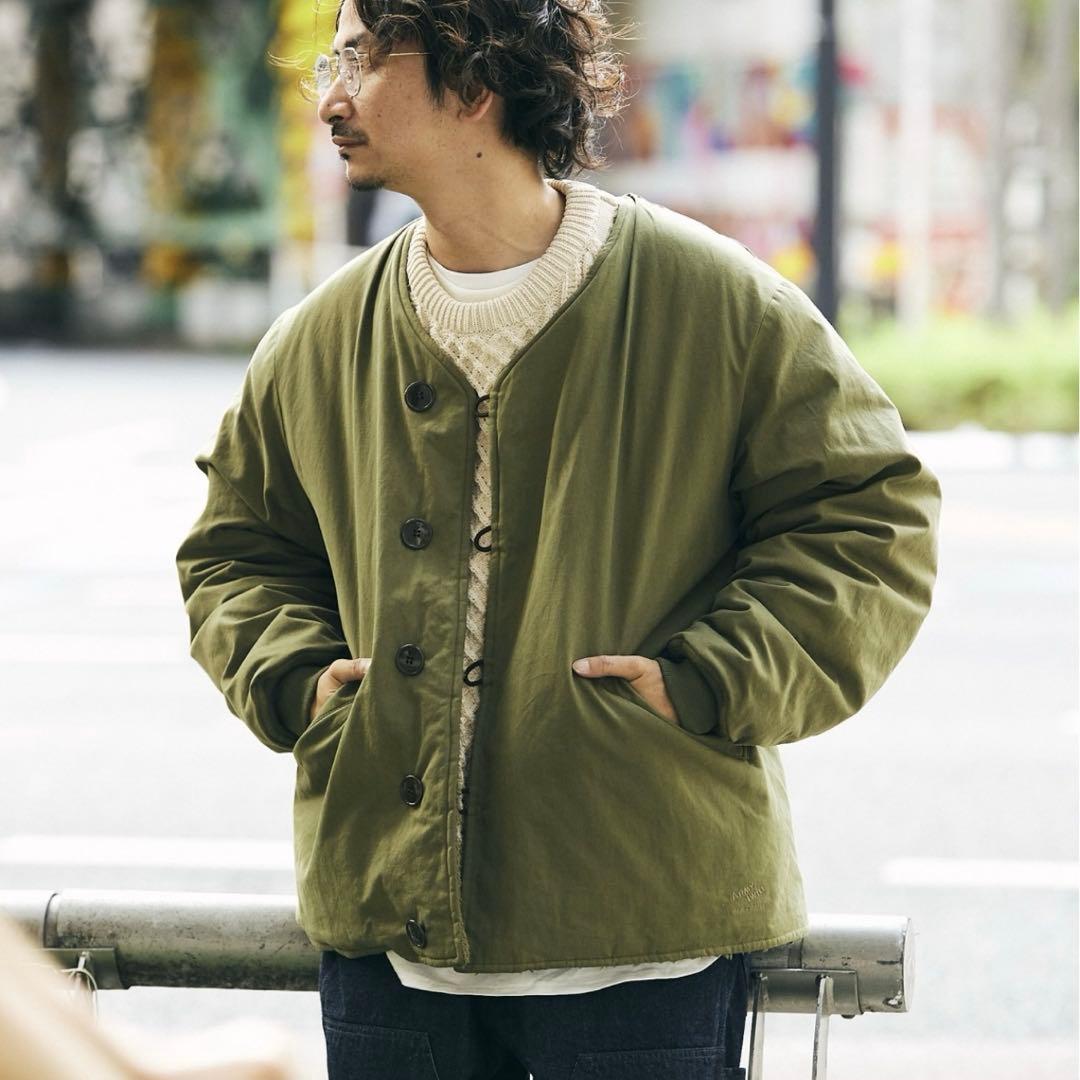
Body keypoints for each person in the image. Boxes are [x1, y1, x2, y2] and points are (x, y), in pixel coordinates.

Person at [175, 1, 942, 1077]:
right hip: (392, 947)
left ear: (476, 77)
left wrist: (713, 677)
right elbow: (235, 550)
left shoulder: (711, 301)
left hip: (647, 934)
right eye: (330, 61)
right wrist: (298, 681)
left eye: (363, 57)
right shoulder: (321, 337)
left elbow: (870, 513)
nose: (331, 95)